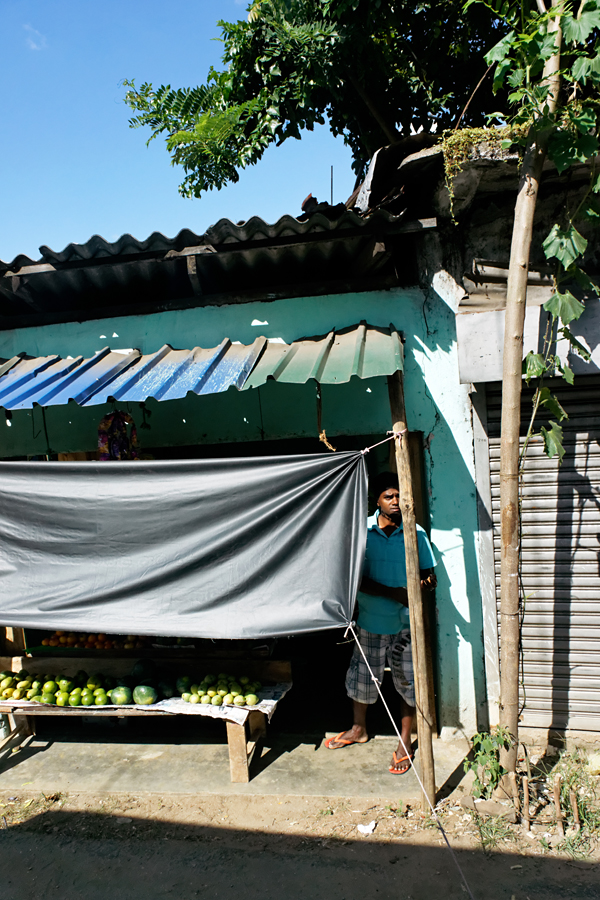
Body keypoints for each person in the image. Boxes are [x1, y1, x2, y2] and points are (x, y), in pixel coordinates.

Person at [325, 471, 437, 774]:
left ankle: (405, 741)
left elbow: (430, 576)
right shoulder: (361, 532)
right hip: (371, 622)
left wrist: (421, 585)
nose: (396, 502)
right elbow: (352, 578)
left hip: (405, 625)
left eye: (400, 496)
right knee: (362, 678)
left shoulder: (416, 533)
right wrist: (396, 593)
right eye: (389, 496)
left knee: (408, 683)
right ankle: (358, 728)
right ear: (376, 500)